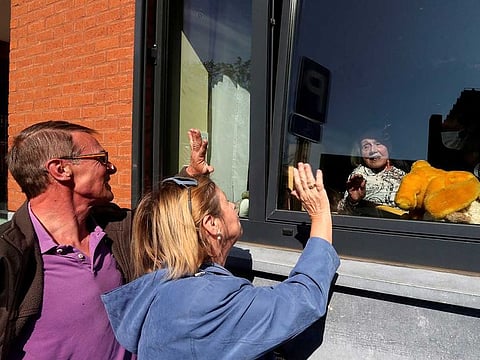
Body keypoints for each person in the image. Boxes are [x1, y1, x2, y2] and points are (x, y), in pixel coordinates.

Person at [0, 120, 212, 359]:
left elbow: (163, 216)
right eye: (101, 158)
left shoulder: (114, 228)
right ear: (60, 169)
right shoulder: (8, 254)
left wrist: (191, 175)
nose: (111, 167)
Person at [101, 162, 340, 359]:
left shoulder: (161, 287)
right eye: (227, 202)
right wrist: (320, 215)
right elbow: (302, 300)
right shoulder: (206, 299)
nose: (234, 206)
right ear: (211, 224)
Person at [337, 133, 406, 216]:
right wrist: (353, 200)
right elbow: (343, 211)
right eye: (366, 146)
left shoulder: (404, 172)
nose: (373, 150)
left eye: (378, 143)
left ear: (389, 147)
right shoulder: (358, 176)